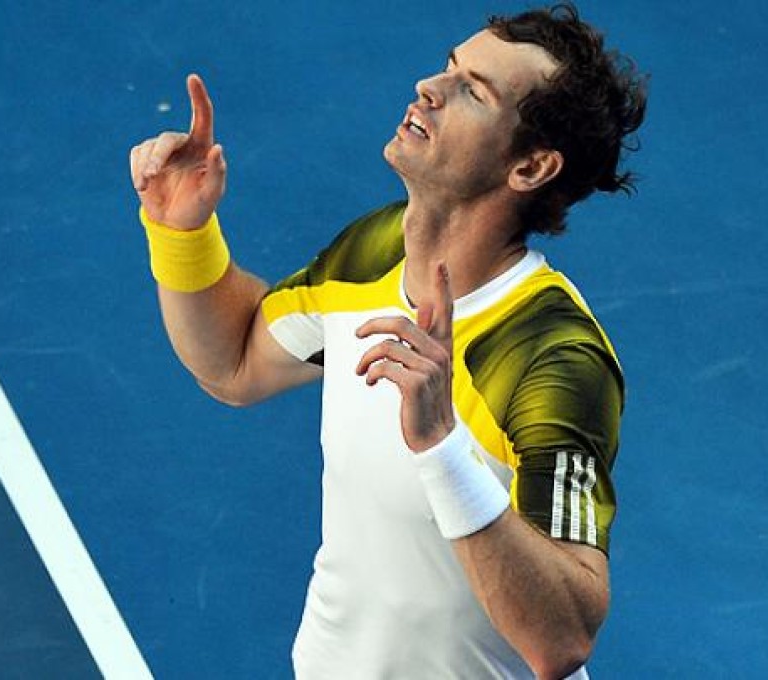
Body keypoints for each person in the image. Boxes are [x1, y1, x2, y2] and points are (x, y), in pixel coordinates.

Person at [129, 3, 646, 678]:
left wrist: (443, 446)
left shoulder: (552, 357)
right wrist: (184, 234)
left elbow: (563, 637)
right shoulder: (377, 248)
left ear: (530, 168)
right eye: (450, 67)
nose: (430, 87)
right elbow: (234, 363)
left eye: (474, 92)